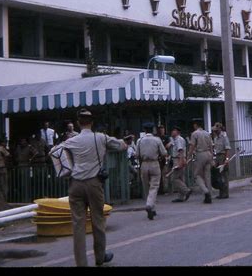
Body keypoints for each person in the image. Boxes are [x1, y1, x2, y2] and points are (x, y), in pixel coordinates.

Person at [51, 108, 128, 267]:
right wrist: (126, 141)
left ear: (78, 123)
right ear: (92, 122)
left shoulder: (71, 141)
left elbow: (53, 152)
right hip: (94, 184)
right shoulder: (100, 138)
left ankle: (81, 262)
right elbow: (121, 146)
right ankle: (100, 257)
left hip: (75, 184)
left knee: (78, 224)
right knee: (97, 221)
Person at [136, 122, 168, 219]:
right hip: (154, 163)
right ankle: (150, 205)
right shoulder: (157, 140)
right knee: (154, 186)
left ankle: (151, 207)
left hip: (144, 164)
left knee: (146, 186)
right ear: (153, 130)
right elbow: (164, 152)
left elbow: (137, 154)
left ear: (145, 130)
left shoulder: (139, 140)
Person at [188, 118, 213, 204]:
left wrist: (189, 155)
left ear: (195, 125)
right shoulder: (207, 133)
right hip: (208, 153)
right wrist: (212, 156)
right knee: (207, 176)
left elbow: (192, 146)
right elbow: (211, 146)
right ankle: (209, 195)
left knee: (197, 175)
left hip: (200, 154)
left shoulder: (194, 134)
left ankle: (205, 191)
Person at [170, 126, 192, 203]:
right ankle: (181, 197)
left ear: (177, 132)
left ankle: (186, 190)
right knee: (180, 178)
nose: (172, 132)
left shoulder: (178, 139)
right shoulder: (177, 139)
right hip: (180, 159)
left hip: (178, 159)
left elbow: (180, 151)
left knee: (174, 178)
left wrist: (180, 162)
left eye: (174, 130)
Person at [212, 122, 231, 199]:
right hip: (217, 156)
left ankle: (225, 193)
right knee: (218, 175)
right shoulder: (215, 138)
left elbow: (227, 149)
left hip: (223, 156)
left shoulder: (224, 137)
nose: (215, 131)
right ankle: (221, 192)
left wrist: (226, 159)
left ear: (220, 128)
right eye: (214, 130)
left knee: (224, 175)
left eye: (216, 130)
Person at [156, 125, 173, 195]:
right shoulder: (157, 138)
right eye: (160, 129)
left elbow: (170, 144)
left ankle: (167, 189)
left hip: (166, 157)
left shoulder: (167, 137)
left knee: (166, 173)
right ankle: (161, 189)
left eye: (162, 129)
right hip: (159, 157)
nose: (161, 130)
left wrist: (169, 144)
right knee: (159, 174)